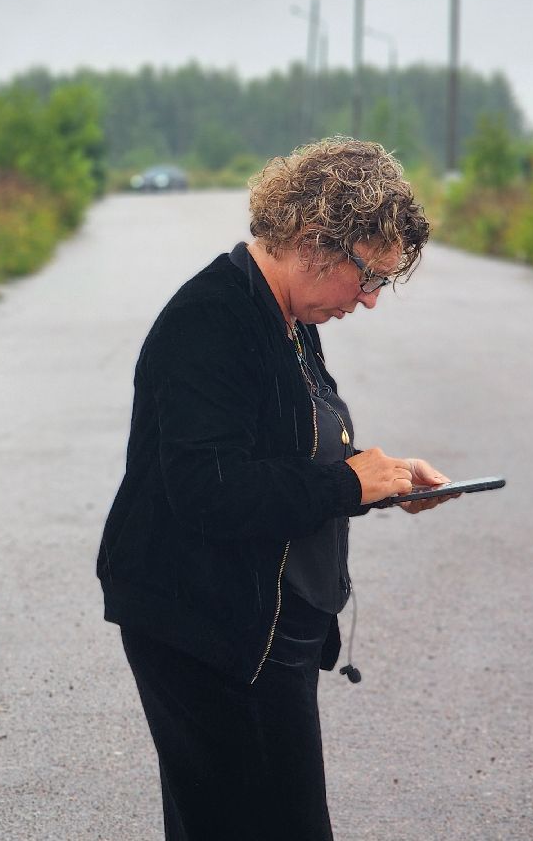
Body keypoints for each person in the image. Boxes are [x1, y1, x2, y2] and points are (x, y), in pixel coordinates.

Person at [96, 137, 454, 840]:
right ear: (316, 242)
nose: (372, 300)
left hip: (262, 621)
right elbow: (207, 488)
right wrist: (346, 487)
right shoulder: (211, 319)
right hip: (207, 628)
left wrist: (383, 482)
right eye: (369, 276)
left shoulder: (285, 315)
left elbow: (289, 451)